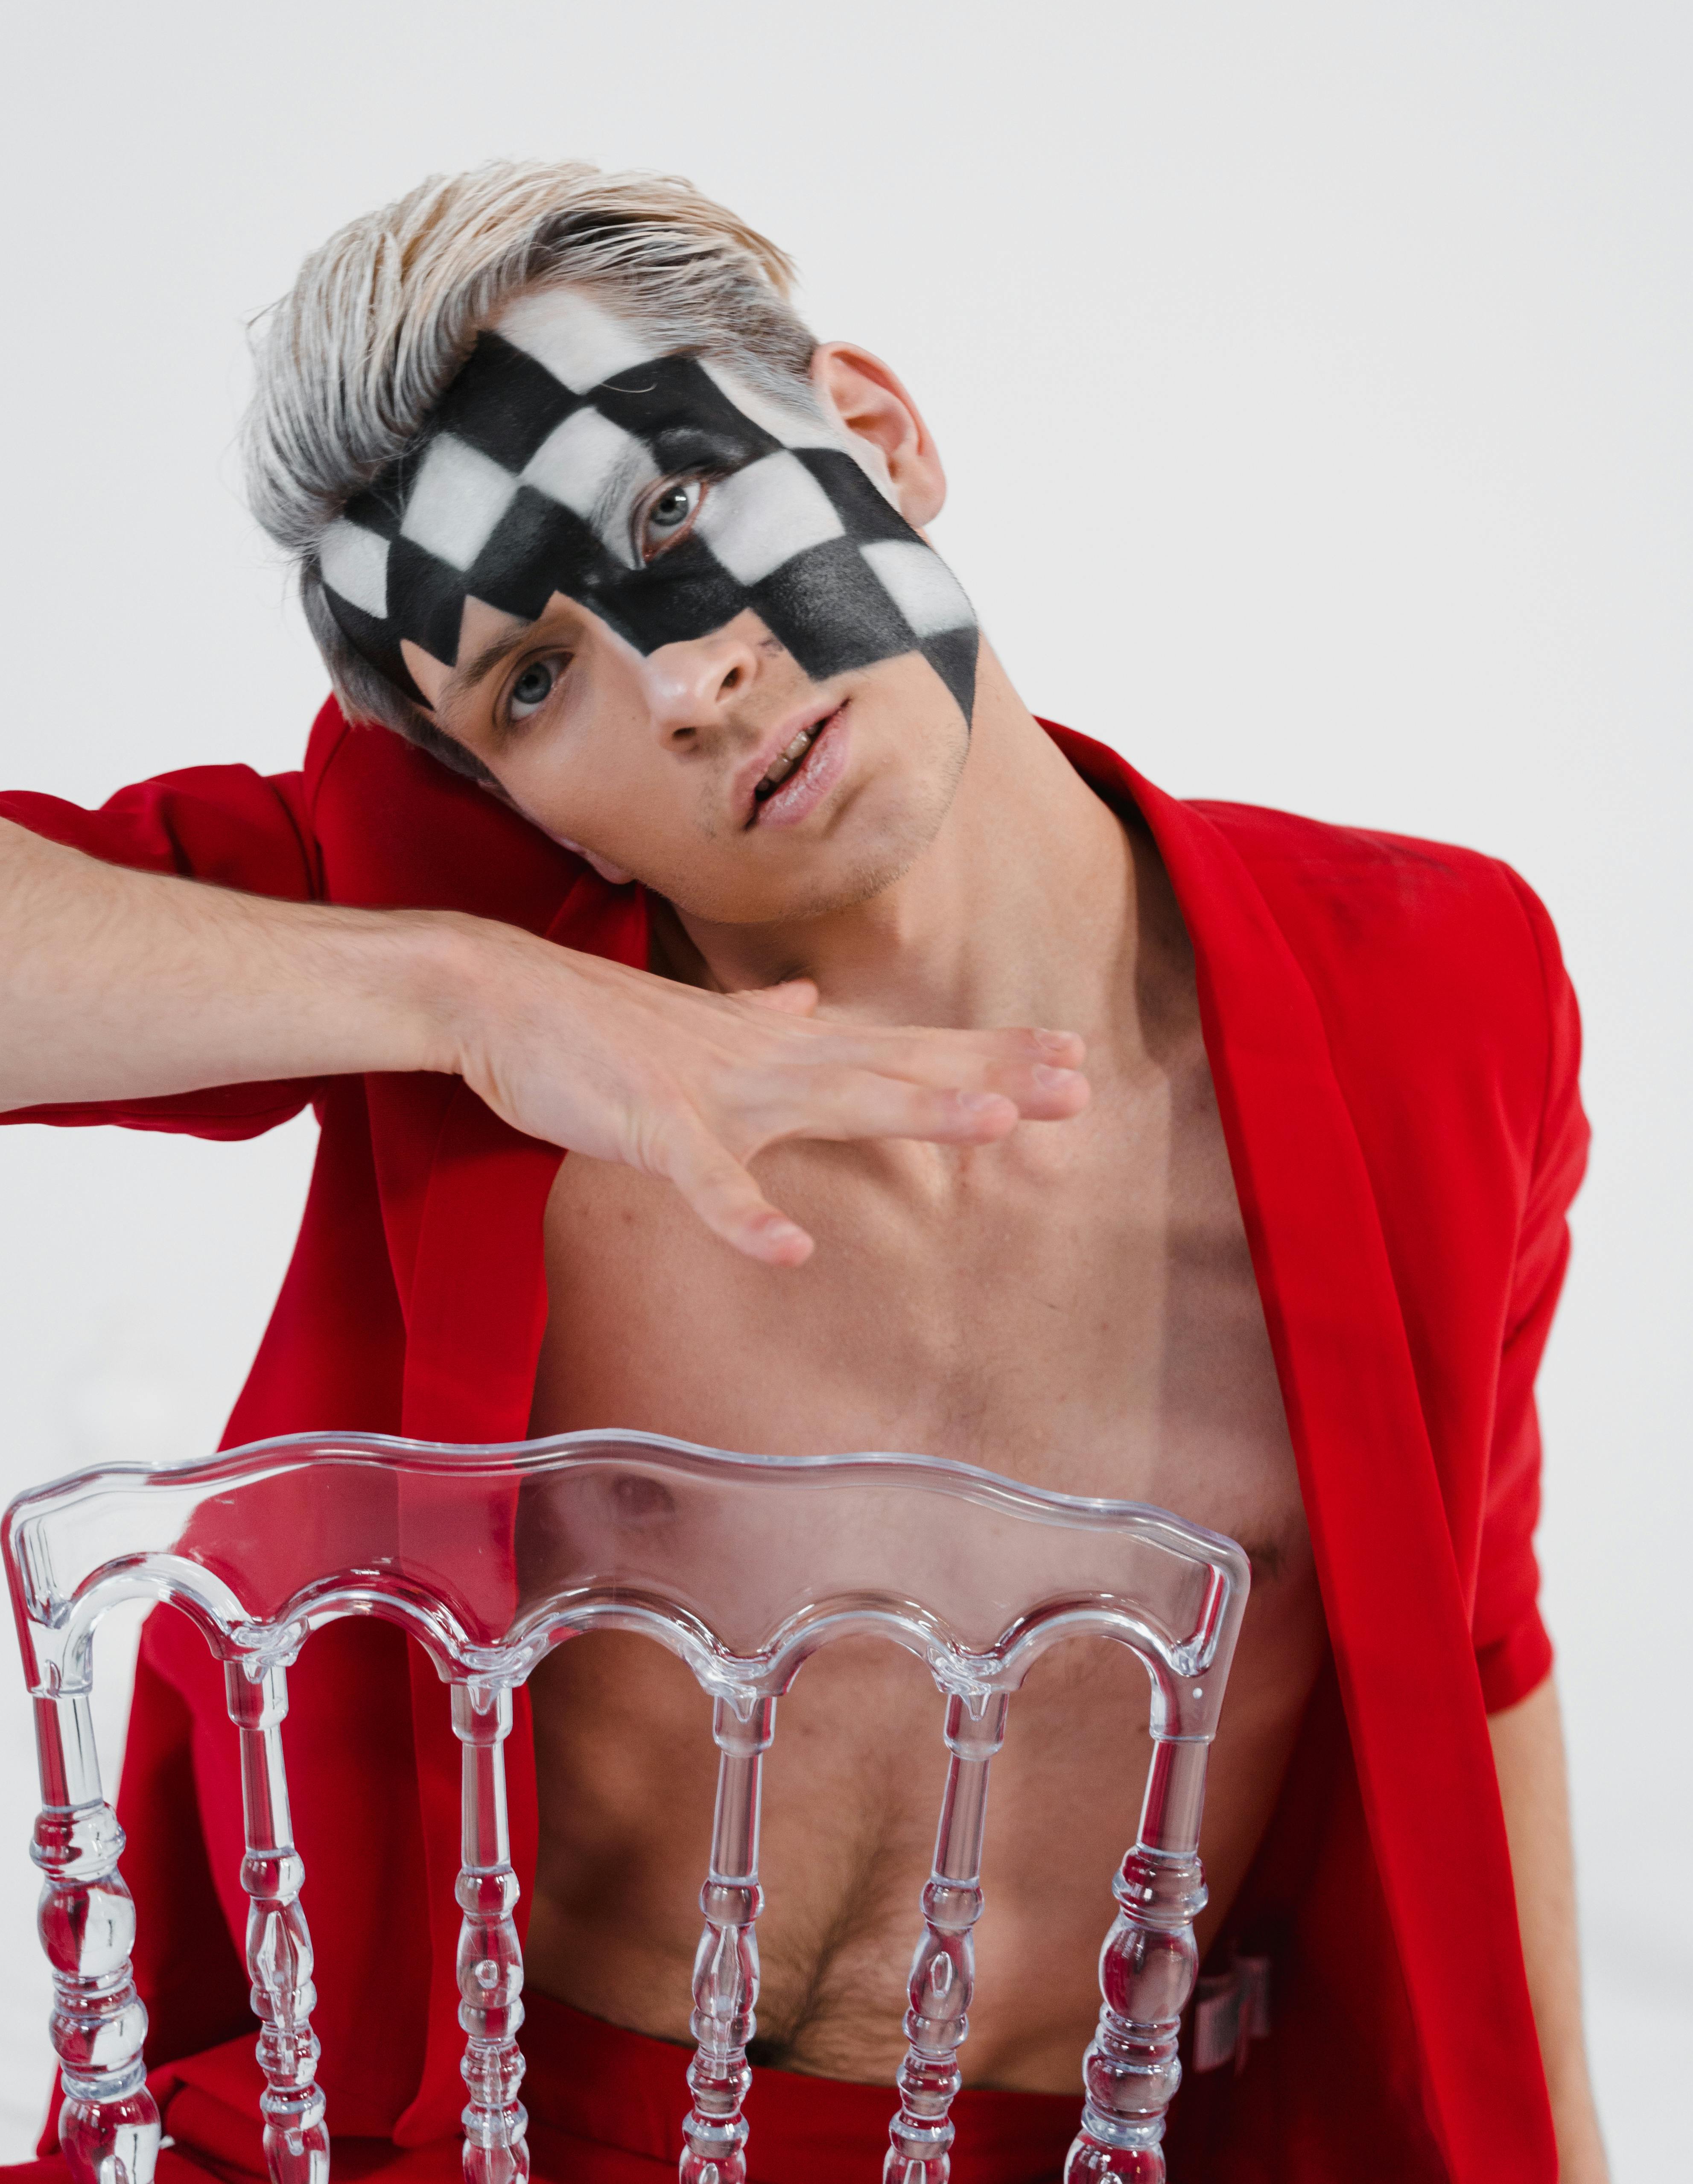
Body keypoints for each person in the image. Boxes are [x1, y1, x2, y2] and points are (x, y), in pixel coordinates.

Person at [0, 161, 1604, 2184]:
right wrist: (459, 991)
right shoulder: (473, 949)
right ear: (498, 791)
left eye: (672, 511)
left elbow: (1470, 1652)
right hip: (435, 2140)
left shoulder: (1436, 993)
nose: (684, 684)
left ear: (877, 429)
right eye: (536, 681)